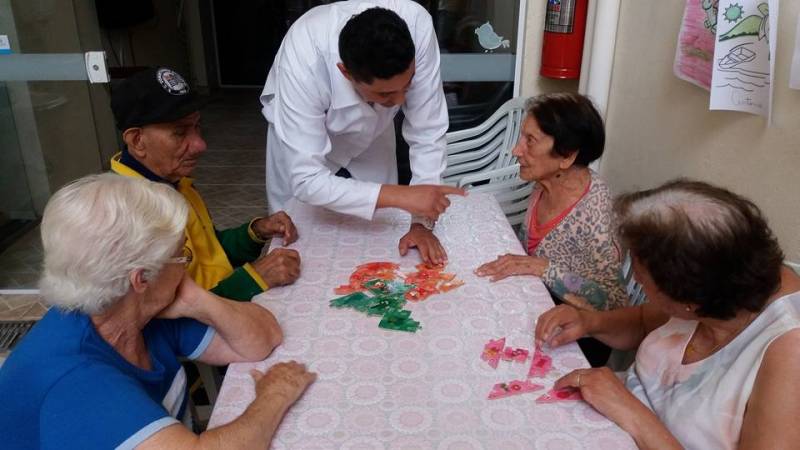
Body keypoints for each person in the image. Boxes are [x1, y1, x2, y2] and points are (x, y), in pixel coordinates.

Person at [0, 174, 316, 449]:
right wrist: (274, 395)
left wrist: (197, 299)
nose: (187, 265)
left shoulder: (134, 310)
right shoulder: (76, 379)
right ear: (141, 278)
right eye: (182, 256)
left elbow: (262, 338)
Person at [535, 180, 800, 450]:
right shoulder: (721, 285)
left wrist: (632, 414)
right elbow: (642, 321)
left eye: (642, 280)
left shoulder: (788, 353)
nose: (636, 279)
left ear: (689, 303)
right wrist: (589, 322)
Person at [261, 0, 466, 265]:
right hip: (301, 135)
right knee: (296, 238)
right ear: (345, 72)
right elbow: (307, 180)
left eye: (409, 84)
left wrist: (420, 222)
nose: (402, 100)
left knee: (385, 232)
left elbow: (427, 130)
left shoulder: (417, 25)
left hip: (374, 131)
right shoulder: (305, 55)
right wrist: (402, 195)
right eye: (387, 93)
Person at [111, 67, 300, 302]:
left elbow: (209, 255)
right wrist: (255, 278)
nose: (200, 145)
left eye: (197, 127)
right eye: (180, 133)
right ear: (137, 141)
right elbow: (167, 318)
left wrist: (256, 231)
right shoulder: (126, 215)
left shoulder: (171, 182)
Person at [476, 93, 627, 311]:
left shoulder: (595, 214)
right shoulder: (544, 182)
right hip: (531, 299)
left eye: (530, 141)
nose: (515, 151)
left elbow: (615, 304)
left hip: (575, 334)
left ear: (567, 156)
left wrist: (544, 269)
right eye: (522, 138)